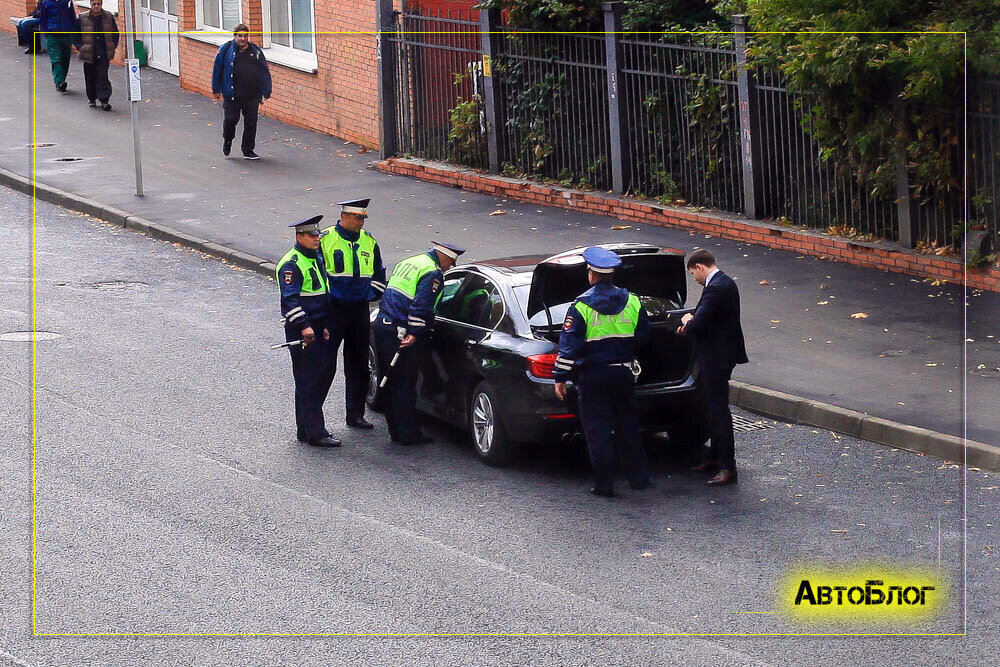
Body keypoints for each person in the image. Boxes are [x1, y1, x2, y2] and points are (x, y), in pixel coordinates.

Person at [553, 247, 651, 498]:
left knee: (598, 431)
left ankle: (604, 485)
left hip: (593, 376)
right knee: (628, 426)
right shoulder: (633, 301)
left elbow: (569, 346)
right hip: (624, 373)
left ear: (591, 275)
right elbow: (643, 336)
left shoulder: (581, 306)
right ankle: (638, 479)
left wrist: (560, 377)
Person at [374, 241, 465, 445]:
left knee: (391, 380)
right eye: (450, 262)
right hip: (401, 331)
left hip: (384, 324)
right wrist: (415, 332)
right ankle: (408, 434)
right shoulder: (432, 272)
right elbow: (421, 306)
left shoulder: (411, 261)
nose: (448, 267)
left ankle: (395, 430)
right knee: (405, 383)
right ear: (444, 256)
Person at [677, 249, 748, 486]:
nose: (694, 279)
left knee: (718, 411)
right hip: (721, 356)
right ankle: (715, 458)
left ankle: (728, 466)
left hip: (716, 359)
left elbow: (699, 321)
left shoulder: (716, 288)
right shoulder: (723, 282)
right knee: (713, 408)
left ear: (699, 266)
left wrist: (687, 322)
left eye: (692, 274)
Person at [320, 198, 387, 430]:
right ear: (344, 216)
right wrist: (327, 301)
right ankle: (315, 423)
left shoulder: (369, 241)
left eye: (363, 218)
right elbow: (318, 274)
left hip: (359, 310)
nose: (361, 222)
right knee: (325, 365)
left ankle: (355, 414)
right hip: (333, 311)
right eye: (357, 218)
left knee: (359, 364)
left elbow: (379, 274)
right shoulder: (326, 239)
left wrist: (369, 295)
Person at [276, 216, 340, 448]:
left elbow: (321, 293)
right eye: (312, 236)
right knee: (309, 380)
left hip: (316, 326)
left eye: (318, 235)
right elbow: (290, 301)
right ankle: (316, 432)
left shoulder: (315, 257)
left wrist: (323, 327)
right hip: (303, 331)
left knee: (315, 377)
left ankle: (304, 428)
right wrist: (304, 327)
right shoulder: (292, 264)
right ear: (299, 236)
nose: (317, 239)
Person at [211, 24, 272, 160]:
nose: (243, 39)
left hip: (251, 95)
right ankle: (227, 140)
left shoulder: (255, 51)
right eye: (240, 36)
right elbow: (217, 69)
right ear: (235, 36)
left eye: (245, 36)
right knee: (231, 120)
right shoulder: (226, 50)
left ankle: (248, 150)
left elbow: (263, 71)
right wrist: (216, 89)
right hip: (232, 95)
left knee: (251, 122)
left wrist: (265, 92)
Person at [71, 0, 119, 111]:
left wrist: (112, 46)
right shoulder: (82, 18)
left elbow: (115, 33)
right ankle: (92, 98)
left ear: (101, 4)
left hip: (103, 52)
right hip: (89, 53)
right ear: (90, 5)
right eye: (94, 4)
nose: (96, 6)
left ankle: (104, 100)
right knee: (90, 76)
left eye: (98, 4)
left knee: (103, 76)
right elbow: (75, 34)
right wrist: (80, 47)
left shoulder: (108, 17)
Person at [37, 0, 76, 92]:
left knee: (65, 60)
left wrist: (74, 32)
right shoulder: (45, 3)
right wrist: (47, 33)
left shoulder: (67, 1)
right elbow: (43, 19)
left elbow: (72, 17)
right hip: (53, 36)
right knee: (56, 59)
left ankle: (62, 80)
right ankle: (59, 82)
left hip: (66, 35)